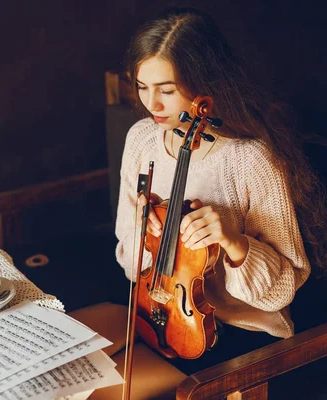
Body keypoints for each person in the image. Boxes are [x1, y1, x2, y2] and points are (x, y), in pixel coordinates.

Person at [69, 7, 327, 399]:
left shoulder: (252, 159)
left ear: (205, 83)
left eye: (167, 89)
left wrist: (235, 243)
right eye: (141, 87)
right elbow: (128, 263)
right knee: (65, 375)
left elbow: (281, 291)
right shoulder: (142, 139)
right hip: (157, 315)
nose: (151, 103)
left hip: (239, 337)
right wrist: (145, 232)